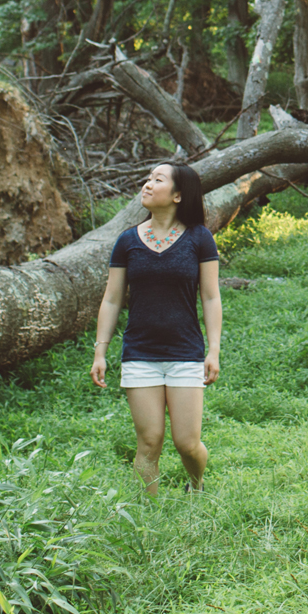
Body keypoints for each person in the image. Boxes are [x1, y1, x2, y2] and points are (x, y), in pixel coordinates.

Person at [92, 161, 223, 494]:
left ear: (178, 195)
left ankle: (196, 483)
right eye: (148, 178)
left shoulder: (199, 238)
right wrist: (100, 352)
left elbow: (210, 297)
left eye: (157, 180)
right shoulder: (127, 241)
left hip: (185, 353)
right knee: (149, 442)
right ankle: (151, 522)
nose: (147, 184)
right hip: (140, 353)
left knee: (186, 443)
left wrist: (214, 350)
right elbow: (111, 299)